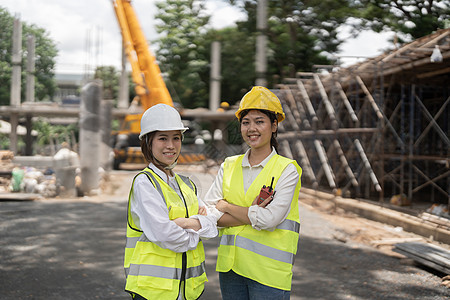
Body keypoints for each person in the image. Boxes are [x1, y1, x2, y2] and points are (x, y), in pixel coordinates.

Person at [204, 86, 302, 299]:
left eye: (259, 121)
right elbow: (209, 212)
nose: (251, 128)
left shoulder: (287, 169)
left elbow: (269, 220)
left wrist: (227, 206)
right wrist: (251, 213)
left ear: (274, 125)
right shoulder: (229, 165)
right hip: (230, 269)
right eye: (246, 122)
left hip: (268, 272)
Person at [124, 104, 218, 300]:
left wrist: (184, 224)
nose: (171, 145)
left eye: (176, 138)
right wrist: (197, 228)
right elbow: (165, 234)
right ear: (148, 142)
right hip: (154, 291)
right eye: (163, 138)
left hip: (186, 290)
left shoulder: (186, 184)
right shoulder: (145, 183)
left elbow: (213, 225)